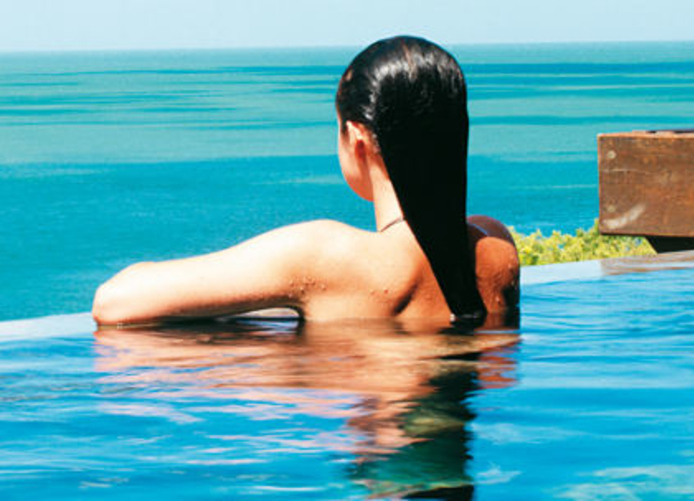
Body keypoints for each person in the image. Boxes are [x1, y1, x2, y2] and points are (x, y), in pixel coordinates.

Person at [92, 35, 520, 329]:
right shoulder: (496, 249)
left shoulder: (324, 257)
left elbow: (116, 302)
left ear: (356, 140)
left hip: (387, 459)